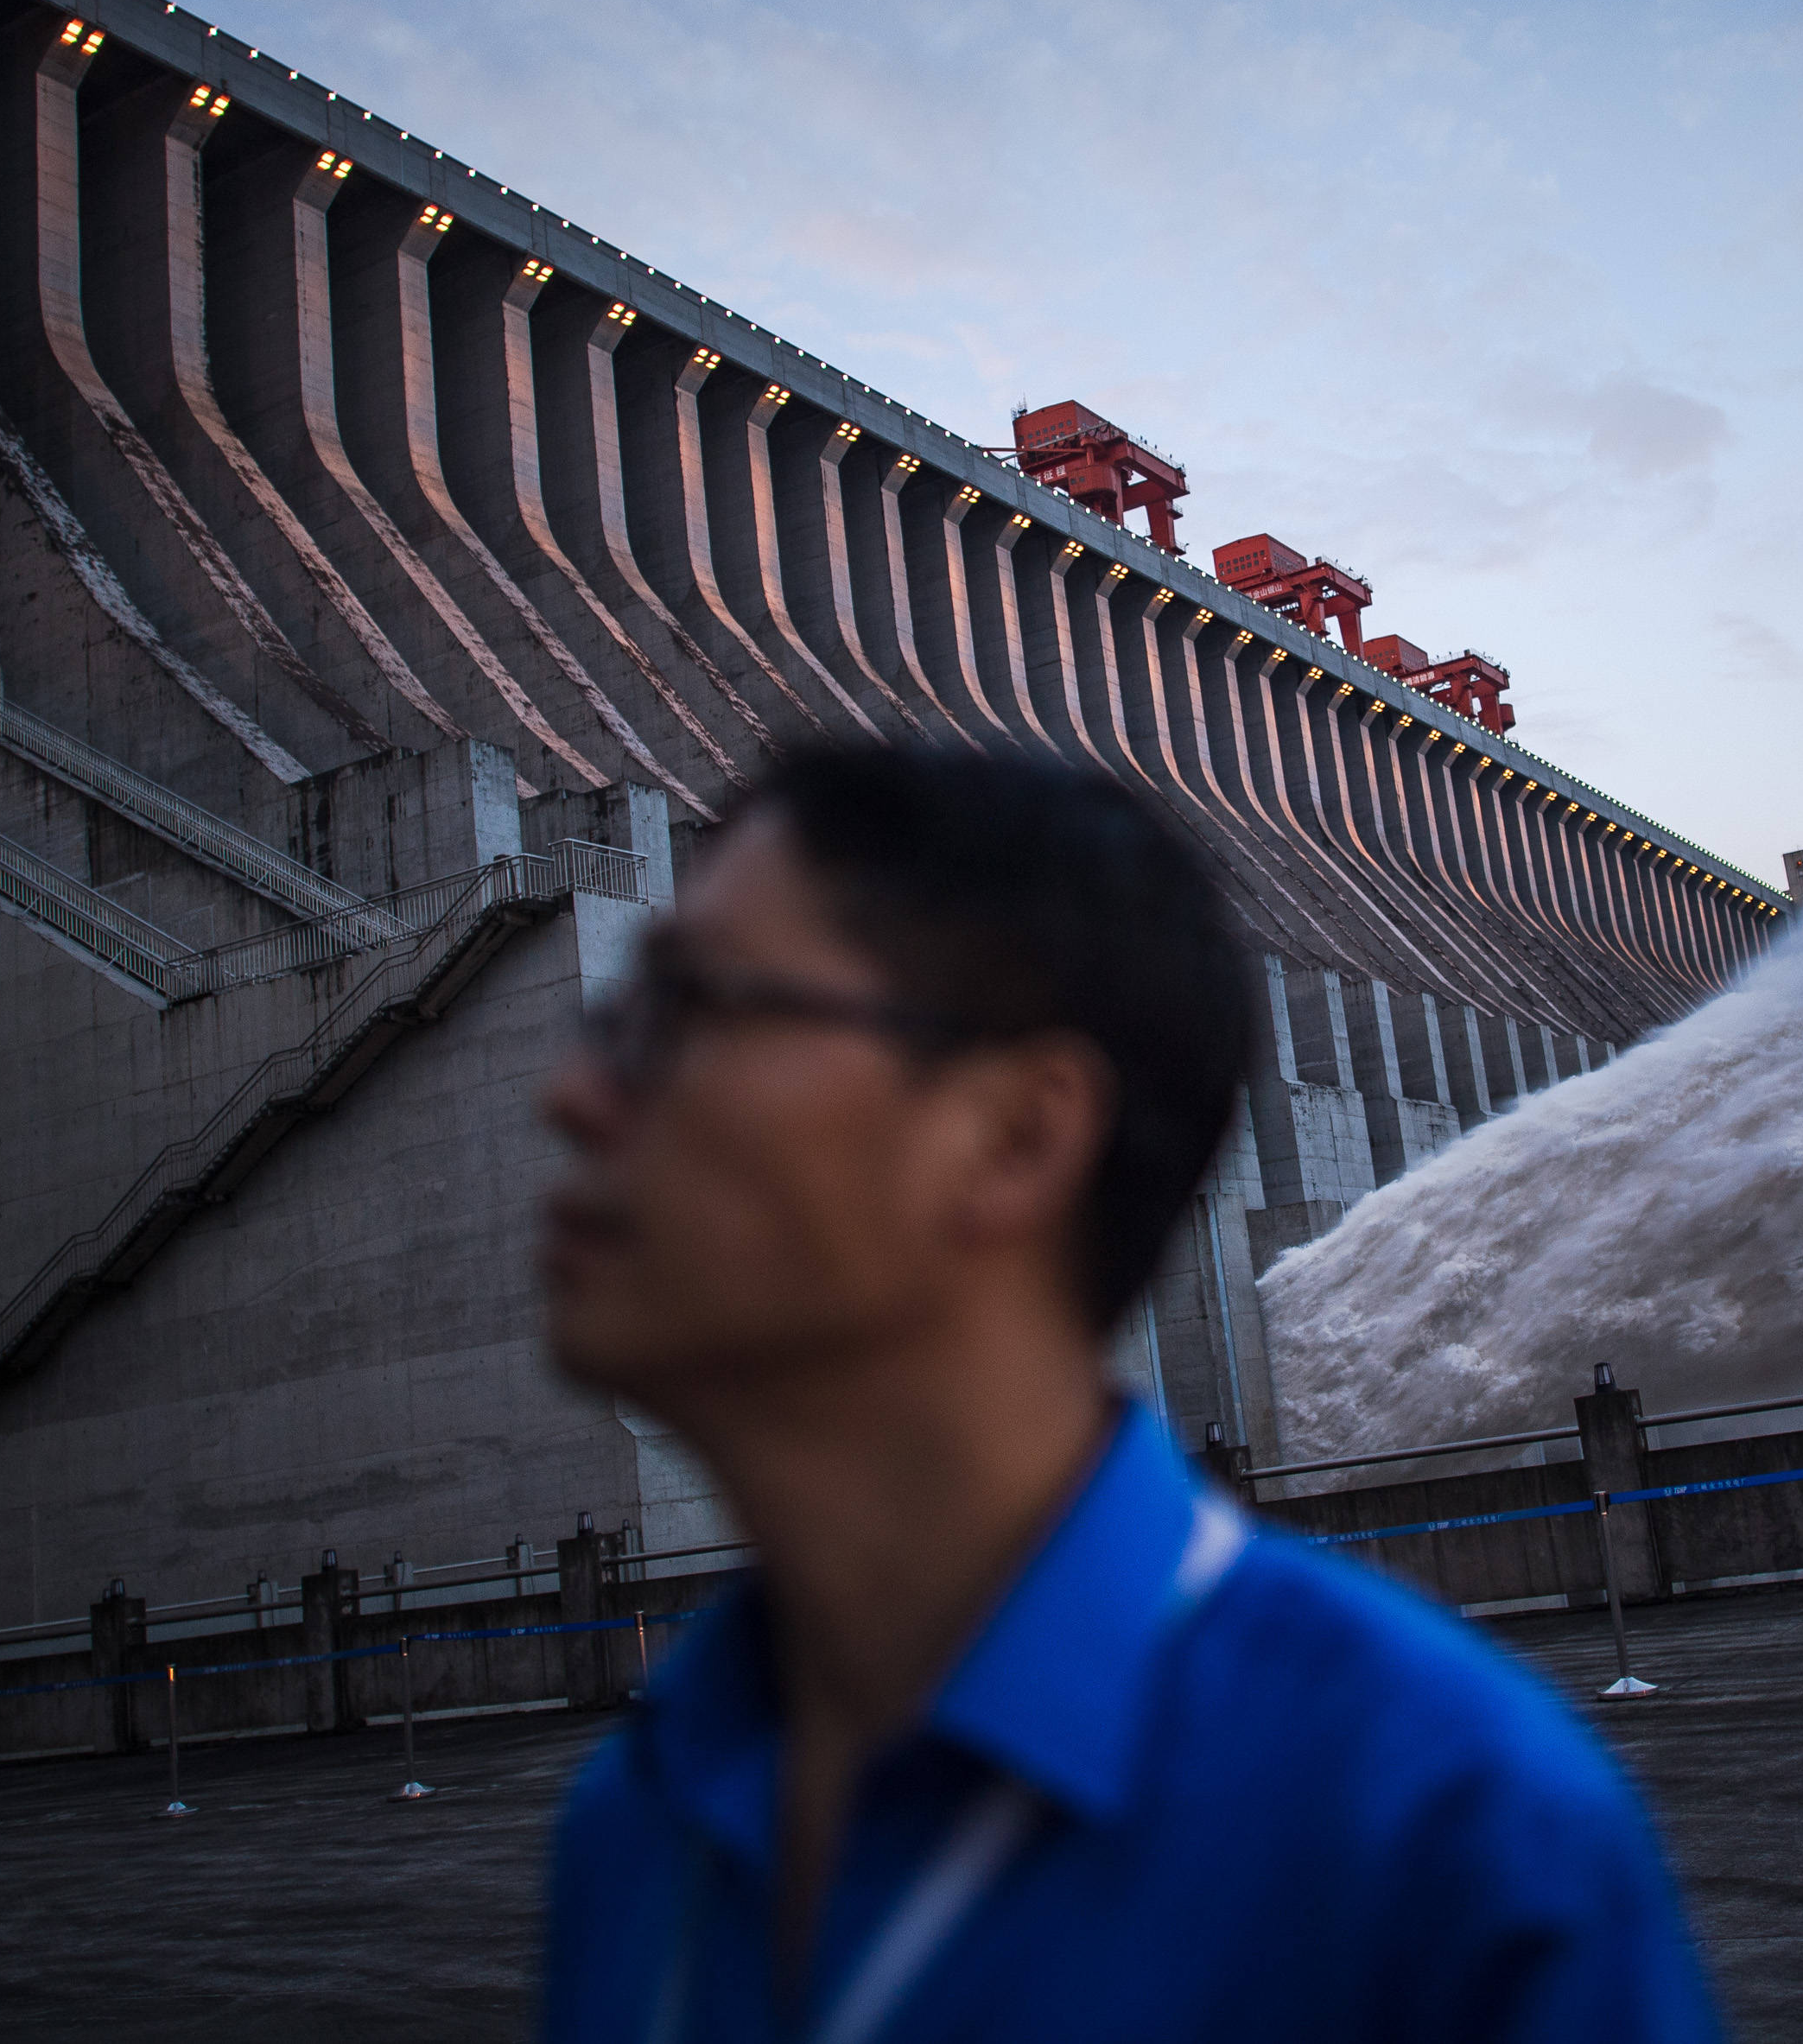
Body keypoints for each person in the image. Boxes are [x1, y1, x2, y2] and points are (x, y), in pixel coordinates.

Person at [533, 746, 1722, 2044]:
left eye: (691, 1013)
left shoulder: (1435, 1834)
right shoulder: (643, 1809)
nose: (578, 1096)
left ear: (1016, 1137)